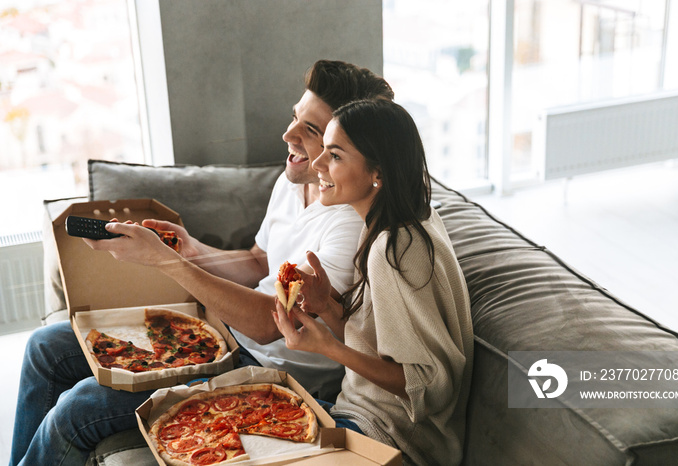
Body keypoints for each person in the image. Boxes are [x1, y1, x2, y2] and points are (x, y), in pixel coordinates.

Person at [10, 60, 394, 466]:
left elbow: (270, 325)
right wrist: (191, 251)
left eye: (310, 131)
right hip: (221, 334)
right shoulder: (292, 181)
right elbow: (258, 259)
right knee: (44, 347)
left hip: (269, 371)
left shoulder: (349, 225)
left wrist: (166, 263)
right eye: (294, 118)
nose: (287, 135)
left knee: (78, 408)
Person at [272, 99, 474, 466]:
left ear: (377, 172)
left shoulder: (396, 248)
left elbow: (429, 386)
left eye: (334, 155)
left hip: (394, 440)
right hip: (355, 418)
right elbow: (381, 347)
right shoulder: (394, 225)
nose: (317, 163)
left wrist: (327, 348)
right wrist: (327, 308)